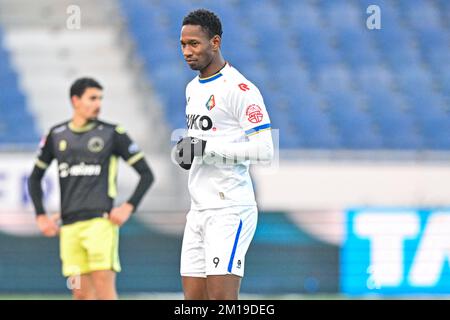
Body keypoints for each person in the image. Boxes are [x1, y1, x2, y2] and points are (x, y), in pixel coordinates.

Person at [174, 9, 274, 300]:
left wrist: (207, 149)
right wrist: (188, 152)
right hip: (198, 208)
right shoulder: (192, 89)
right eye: (183, 44)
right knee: (194, 301)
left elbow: (265, 150)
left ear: (215, 42)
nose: (187, 52)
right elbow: (203, 140)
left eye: (194, 44)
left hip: (229, 208)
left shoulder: (240, 89)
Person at [28, 77, 154, 300]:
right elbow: (35, 177)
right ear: (75, 100)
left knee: (104, 292)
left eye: (100, 98)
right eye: (92, 98)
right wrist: (40, 216)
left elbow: (146, 174)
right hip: (69, 228)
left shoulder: (113, 133)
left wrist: (128, 207)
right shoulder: (56, 135)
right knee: (80, 294)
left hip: (100, 225)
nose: (98, 104)